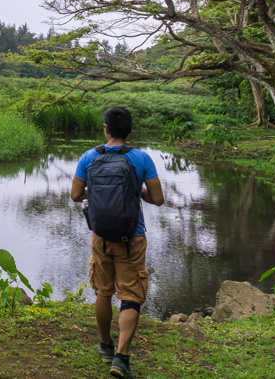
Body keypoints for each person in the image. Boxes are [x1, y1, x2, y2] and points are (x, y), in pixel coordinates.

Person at [70, 107, 164, 379]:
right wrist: (138, 191)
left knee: (103, 291)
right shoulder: (141, 158)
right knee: (131, 295)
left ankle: (105, 346)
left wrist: (97, 192)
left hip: (100, 237)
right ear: (131, 131)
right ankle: (121, 358)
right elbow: (157, 199)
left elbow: (76, 195)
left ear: (106, 129)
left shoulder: (89, 157)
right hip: (132, 237)